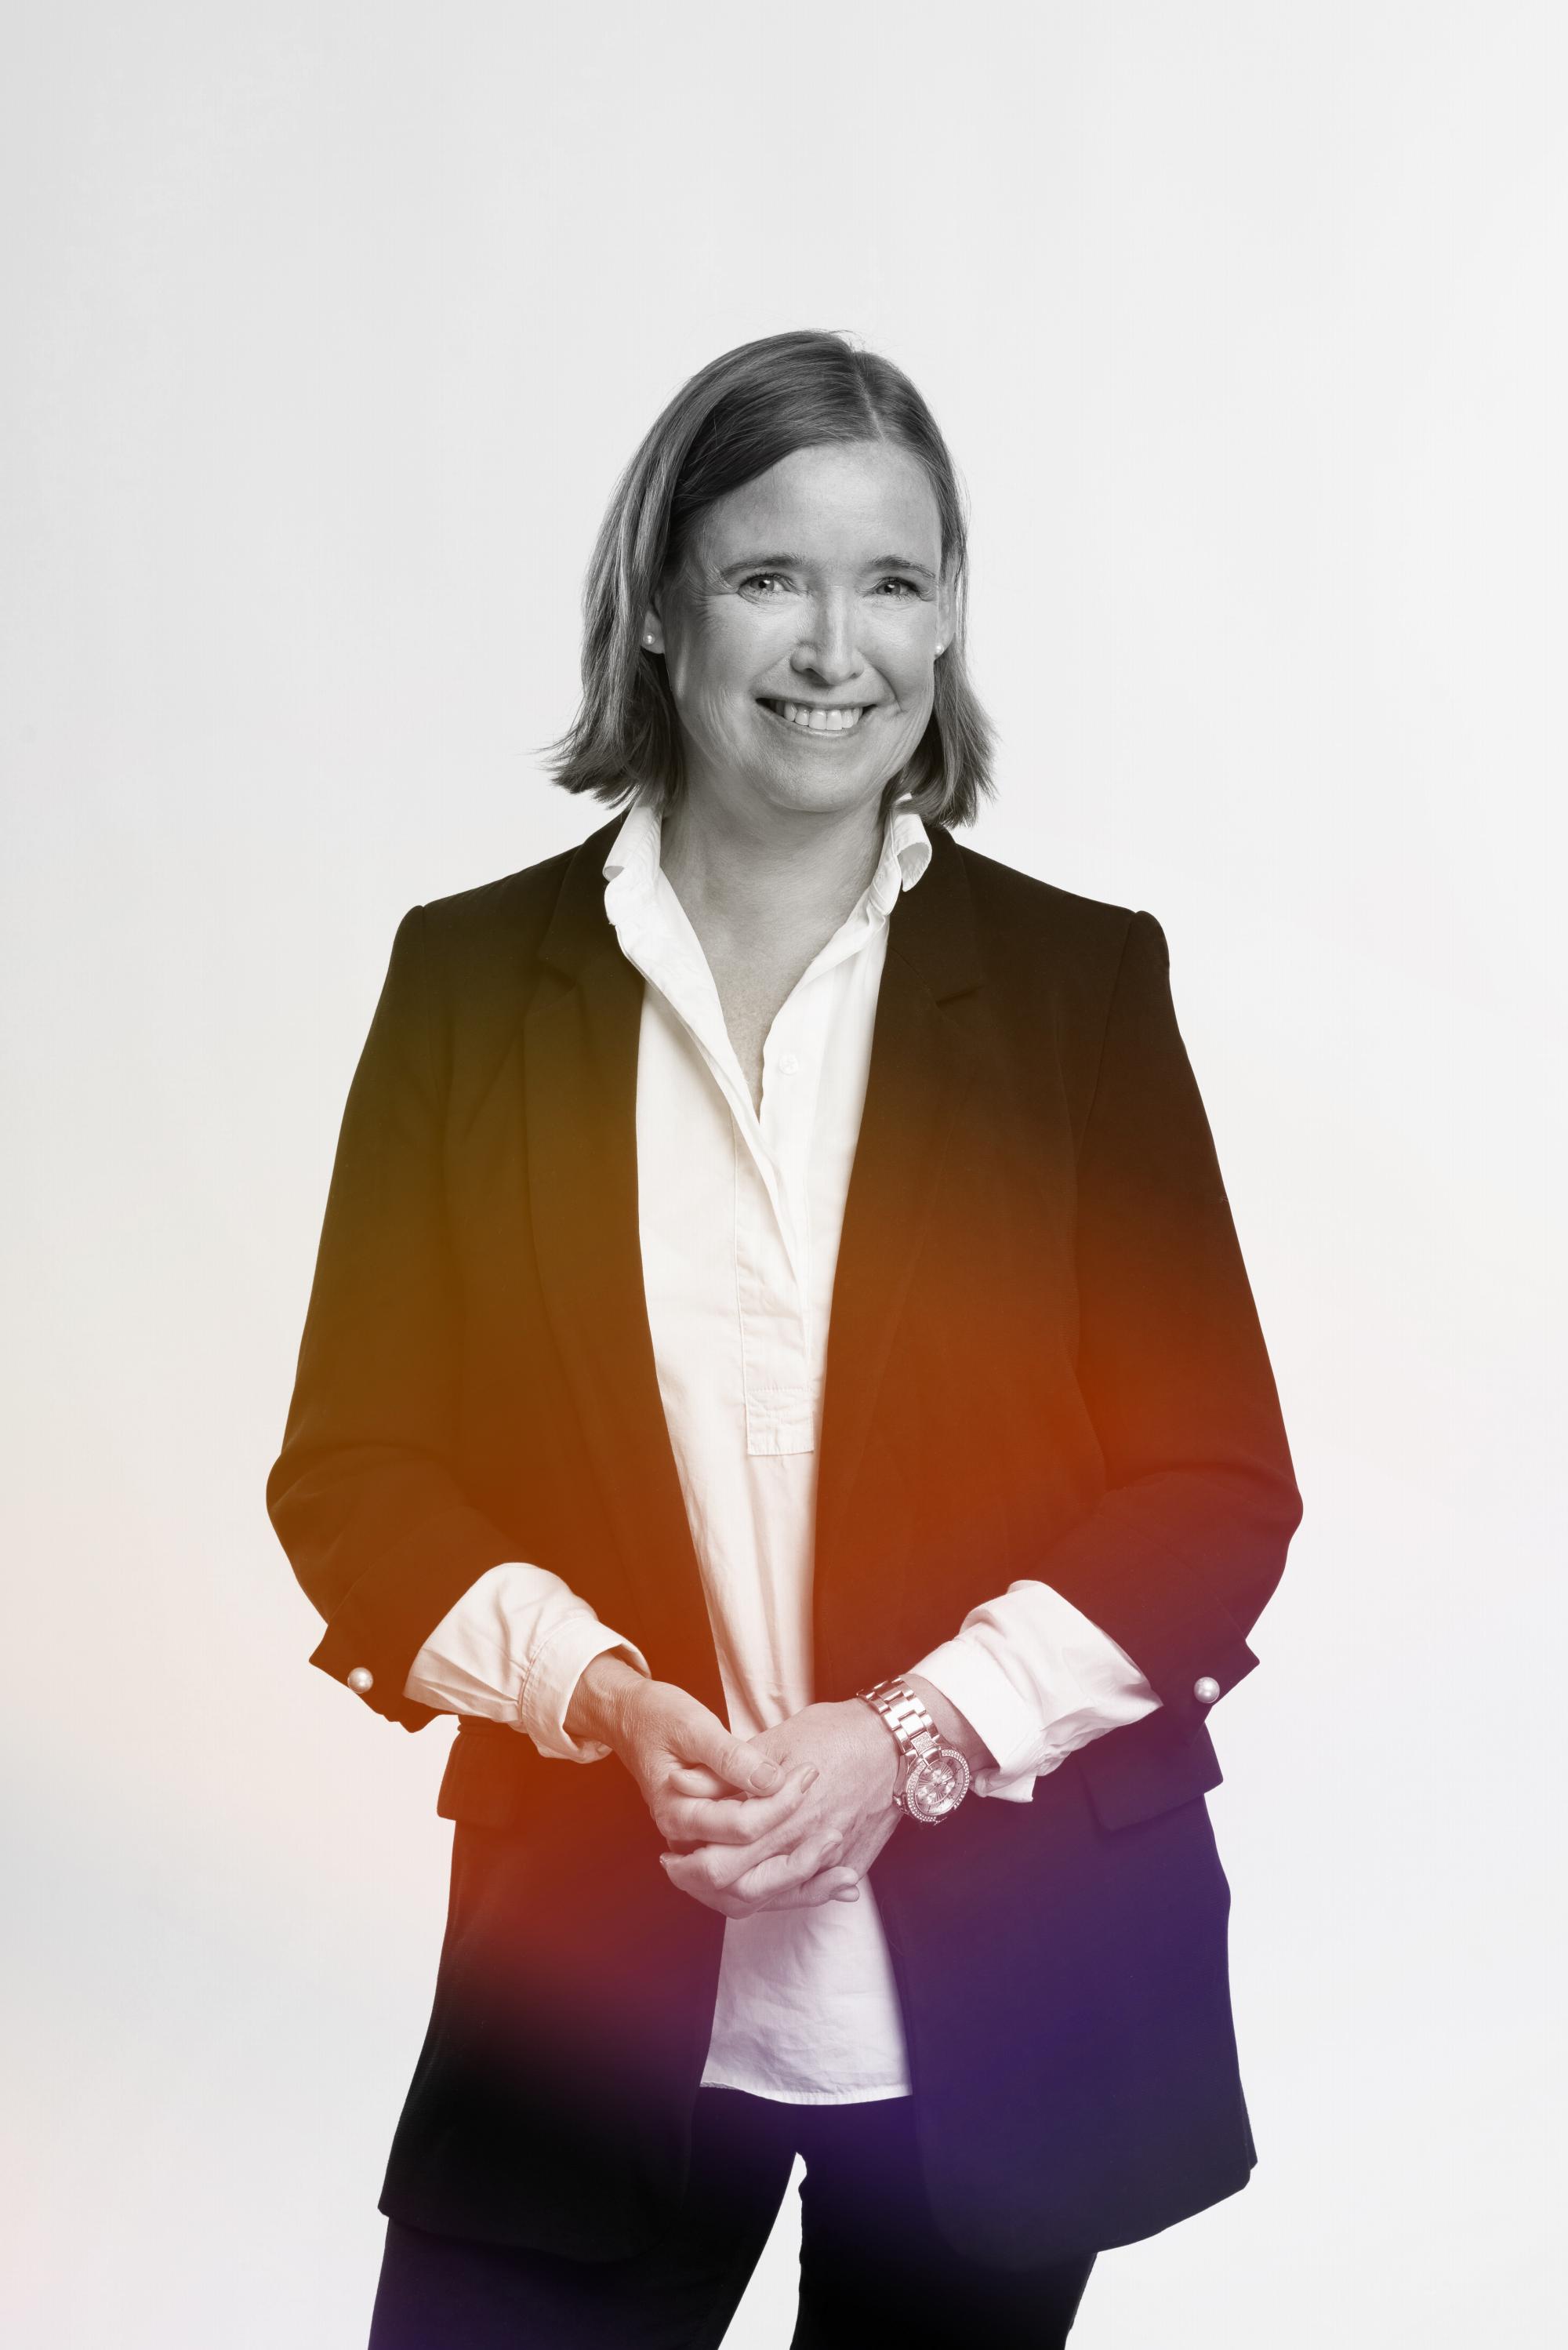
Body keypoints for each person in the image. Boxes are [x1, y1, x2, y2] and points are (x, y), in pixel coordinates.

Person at [267, 329, 1302, 2348]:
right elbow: (357, 1470)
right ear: (661, 607)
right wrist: (603, 1701)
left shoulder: (1080, 991)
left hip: (1012, 1980)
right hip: (591, 1973)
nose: (839, 648)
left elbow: (1212, 1488)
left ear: (948, 617)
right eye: (771, 576)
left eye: (894, 581)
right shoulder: (468, 985)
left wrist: (905, 1744)